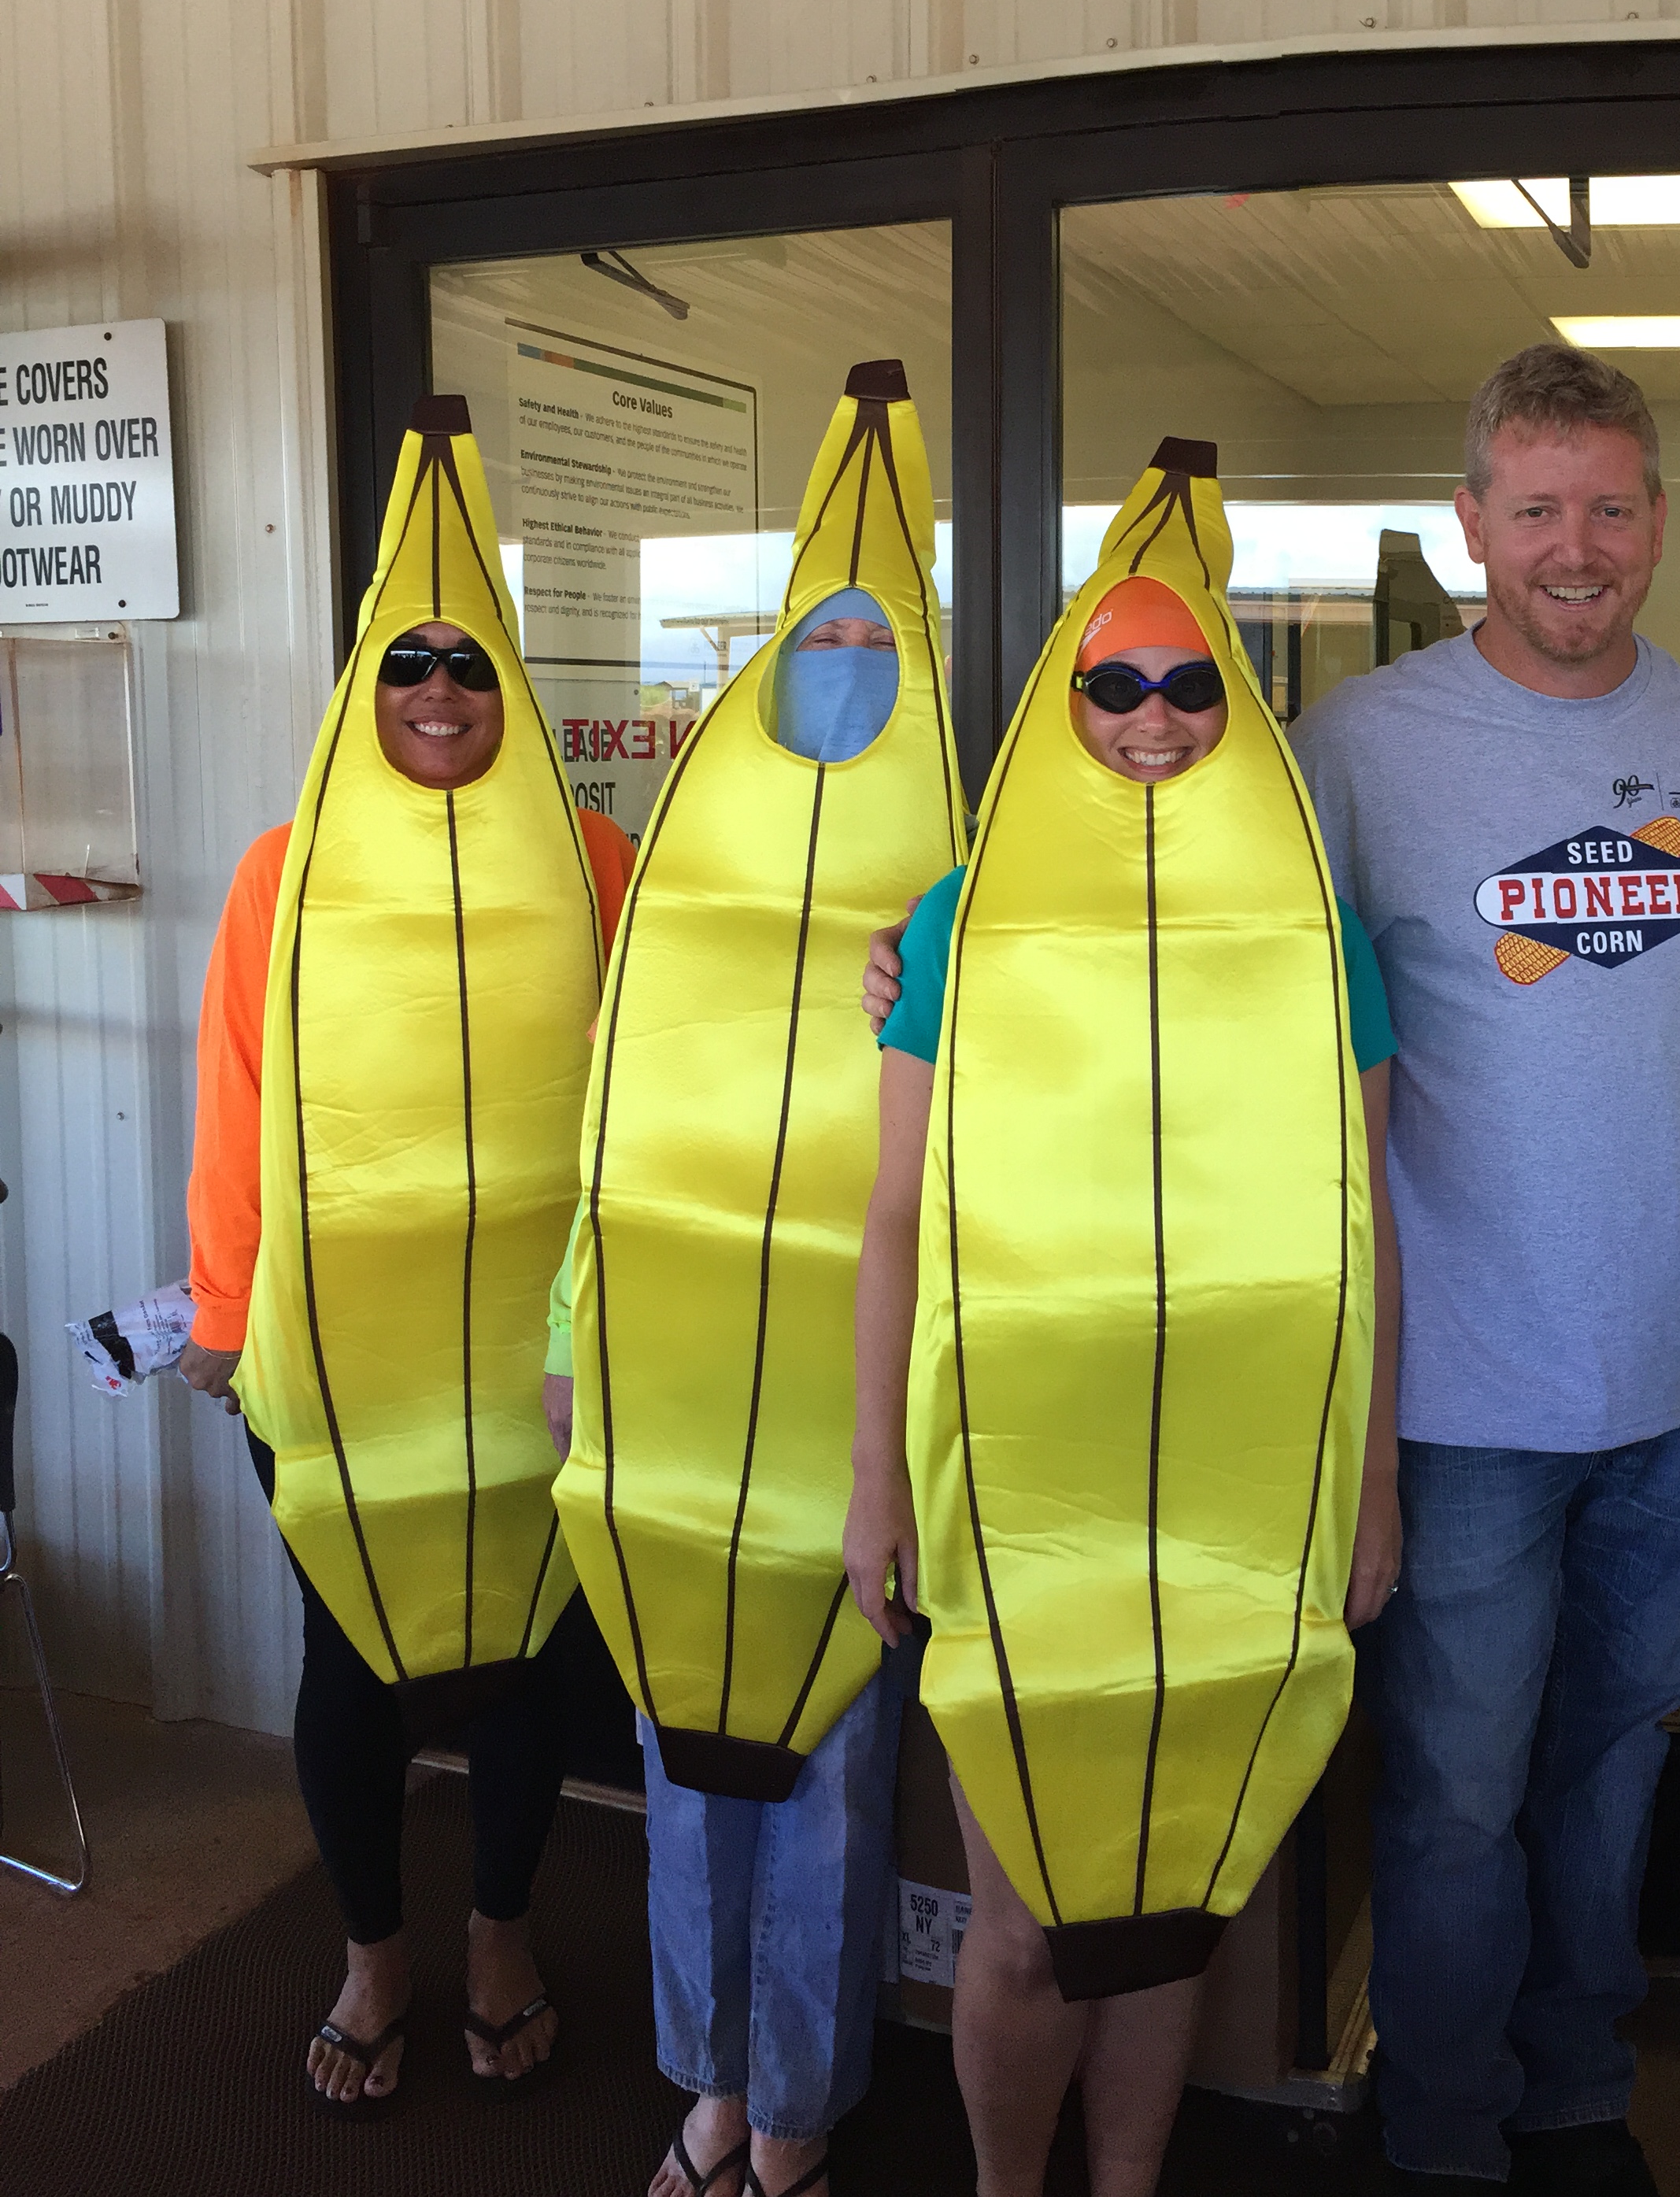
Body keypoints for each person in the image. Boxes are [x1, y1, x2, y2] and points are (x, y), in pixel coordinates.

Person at [846, 465, 1401, 2197]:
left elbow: (1362, 1232)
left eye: (1188, 684)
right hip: (1021, 1484)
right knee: (1024, 1910)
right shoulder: (957, 921)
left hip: (1245, 1484)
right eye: (1113, 685)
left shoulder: (1318, 932)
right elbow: (895, 1218)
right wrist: (878, 1481)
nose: (1153, 718)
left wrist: (1371, 1485)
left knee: (1171, 1901)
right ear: (1060, 705)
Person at [1297, 343, 1680, 2195]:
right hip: (1462, 1400)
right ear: (1470, 525)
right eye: (1536, 510)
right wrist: (935, 949)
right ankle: (1442, 2129)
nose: (1574, 546)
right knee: (1453, 1797)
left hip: (1673, 1386)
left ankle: (1574, 2096)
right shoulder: (1358, 746)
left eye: (1609, 508)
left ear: (1656, 521)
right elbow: (1222, 972)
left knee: (1611, 1777)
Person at [176, 399, 634, 2115]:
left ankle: (501, 1933)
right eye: (407, 664)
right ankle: (374, 1952)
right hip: (335, 1353)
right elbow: (235, 1100)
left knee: (528, 1659)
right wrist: (226, 1309)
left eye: (469, 666)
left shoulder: (596, 860)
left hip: (535, 1351)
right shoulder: (282, 875)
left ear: (509, 689)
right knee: (351, 1662)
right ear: (364, 688)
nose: (439, 693)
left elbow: (650, 1090)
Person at [561, 368, 968, 2197]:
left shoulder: (961, 879)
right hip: (674, 1381)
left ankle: (792, 2105)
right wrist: (575, 1341)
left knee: (827, 1765)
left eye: (883, 648)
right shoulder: (679, 871)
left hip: (849, 1391)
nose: (850, 673)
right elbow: (612, 1119)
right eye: (826, 644)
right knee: (687, 1752)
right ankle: (708, 2079)